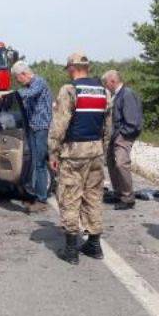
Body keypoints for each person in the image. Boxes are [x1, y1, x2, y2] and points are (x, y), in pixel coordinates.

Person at [48, 52, 112, 265]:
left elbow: (59, 125)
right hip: (95, 151)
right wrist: (102, 149)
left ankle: (71, 249)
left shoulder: (70, 90)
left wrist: (53, 152)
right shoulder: (104, 91)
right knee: (93, 196)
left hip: (74, 152)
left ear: (71, 68)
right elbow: (108, 126)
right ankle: (94, 245)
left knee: (69, 196)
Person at [0, 61, 53, 213]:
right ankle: (35, 196)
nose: (18, 82)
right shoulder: (28, 87)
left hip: (40, 129)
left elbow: (27, 94)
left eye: (17, 78)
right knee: (35, 163)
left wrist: (7, 93)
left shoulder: (39, 83)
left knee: (40, 163)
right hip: (32, 128)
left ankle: (41, 199)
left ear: (23, 74)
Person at [101, 70, 143, 210]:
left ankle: (128, 197)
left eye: (106, 83)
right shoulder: (118, 95)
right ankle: (119, 193)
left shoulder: (127, 94)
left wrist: (122, 135)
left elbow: (132, 120)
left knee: (121, 163)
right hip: (116, 135)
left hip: (123, 135)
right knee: (112, 163)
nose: (105, 86)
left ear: (112, 81)